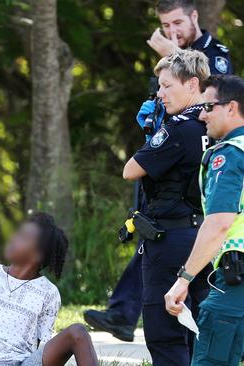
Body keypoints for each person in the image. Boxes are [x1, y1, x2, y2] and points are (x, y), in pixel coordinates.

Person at [84, 0, 234, 342]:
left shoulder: (213, 54)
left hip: (189, 210)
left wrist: (171, 54)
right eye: (165, 26)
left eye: (178, 23)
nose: (172, 32)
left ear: (194, 17)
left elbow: (221, 91)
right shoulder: (180, 107)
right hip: (174, 195)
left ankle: (123, 311)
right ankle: (122, 311)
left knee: (167, 331)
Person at [120, 49, 212, 365]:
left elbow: (130, 170)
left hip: (171, 242)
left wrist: (155, 131)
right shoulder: (216, 126)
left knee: (165, 334)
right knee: (196, 333)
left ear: (192, 85)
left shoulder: (179, 127)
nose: (160, 94)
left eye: (166, 86)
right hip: (207, 238)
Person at [165, 75, 244, 365]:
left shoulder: (231, 154)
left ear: (231, 108)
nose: (202, 114)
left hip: (236, 284)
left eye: (209, 106)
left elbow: (219, 223)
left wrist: (183, 280)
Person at [0, 213, 99, 366]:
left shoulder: (49, 293)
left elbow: (40, 350)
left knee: (78, 332)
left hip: (22, 363)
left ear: (37, 254)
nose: (13, 238)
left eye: (23, 237)